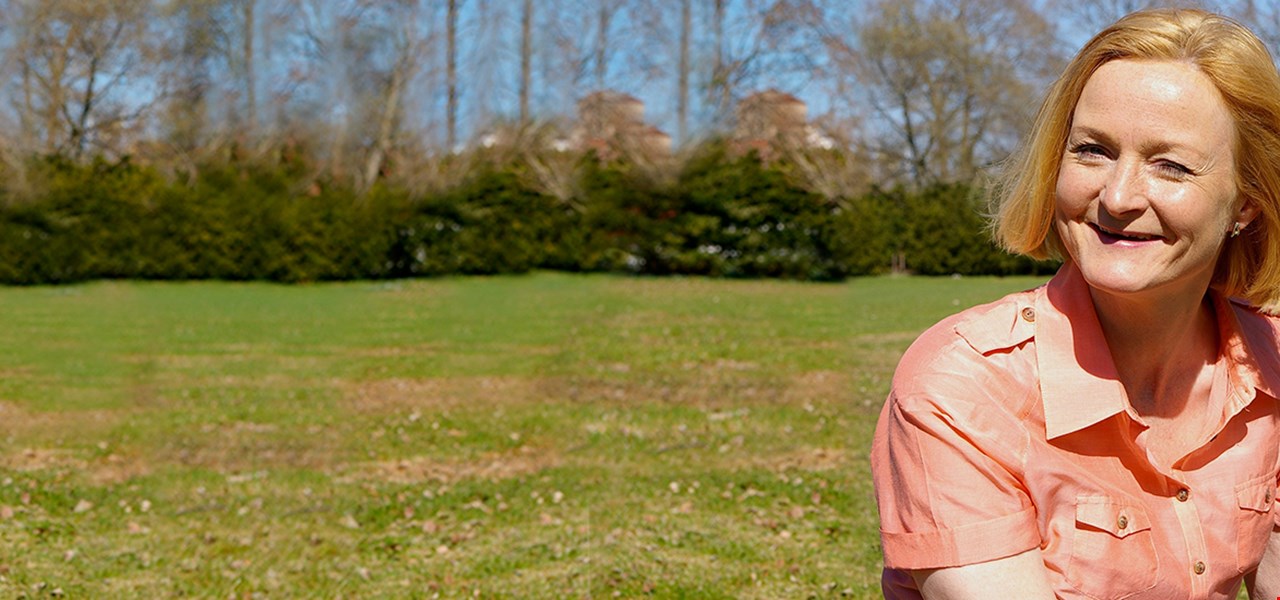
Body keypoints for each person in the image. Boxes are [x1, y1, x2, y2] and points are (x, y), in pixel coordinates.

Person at [871, 8, 1280, 600]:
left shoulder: (1269, 362)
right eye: (1092, 150)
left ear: (1245, 204)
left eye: (1170, 165)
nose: (1116, 196)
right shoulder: (963, 387)